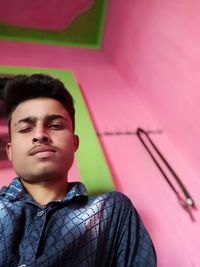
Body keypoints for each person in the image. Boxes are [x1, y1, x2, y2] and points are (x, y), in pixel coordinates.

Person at [1, 74, 156, 267]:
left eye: (55, 126)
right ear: (10, 151)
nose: (40, 135)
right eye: (25, 129)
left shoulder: (111, 211)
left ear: (74, 143)